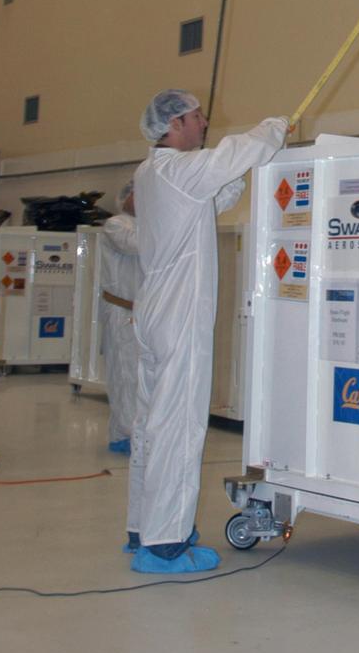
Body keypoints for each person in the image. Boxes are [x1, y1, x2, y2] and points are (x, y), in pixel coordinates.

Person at [127, 89, 288, 574]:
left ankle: (141, 527)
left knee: (149, 424)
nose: (204, 125)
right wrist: (274, 127)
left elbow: (214, 193)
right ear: (174, 124)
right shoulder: (177, 169)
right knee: (176, 425)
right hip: (178, 314)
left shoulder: (153, 174)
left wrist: (240, 171)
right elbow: (234, 155)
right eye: (197, 118)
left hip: (153, 310)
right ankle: (165, 545)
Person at [100, 180, 140, 456]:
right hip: (121, 311)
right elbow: (133, 245)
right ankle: (129, 435)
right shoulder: (116, 225)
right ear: (125, 198)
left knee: (138, 376)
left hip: (143, 312)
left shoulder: (149, 225)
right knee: (125, 375)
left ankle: (122, 434)